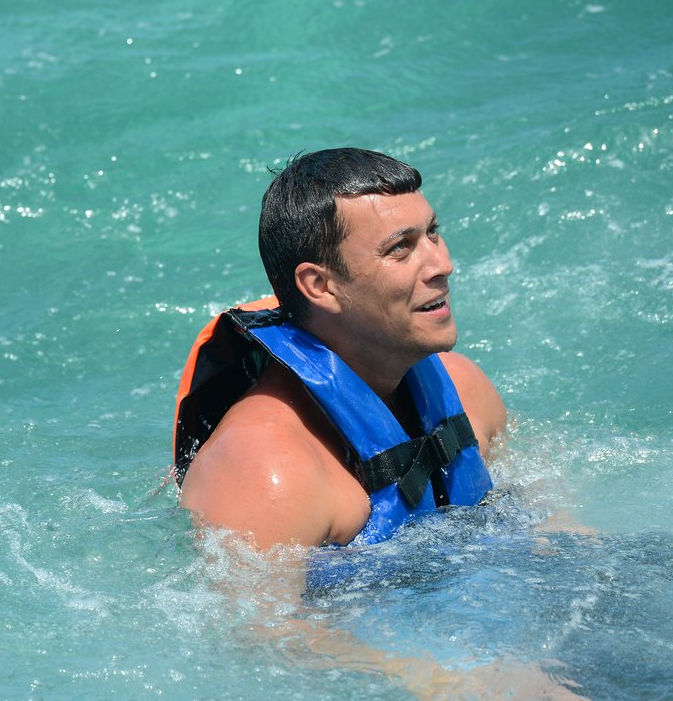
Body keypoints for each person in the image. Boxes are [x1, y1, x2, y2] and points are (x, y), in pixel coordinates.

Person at [174, 147, 508, 554]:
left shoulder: (465, 389)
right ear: (319, 285)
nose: (442, 264)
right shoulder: (267, 471)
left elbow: (551, 529)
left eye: (432, 233)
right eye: (400, 247)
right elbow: (259, 619)